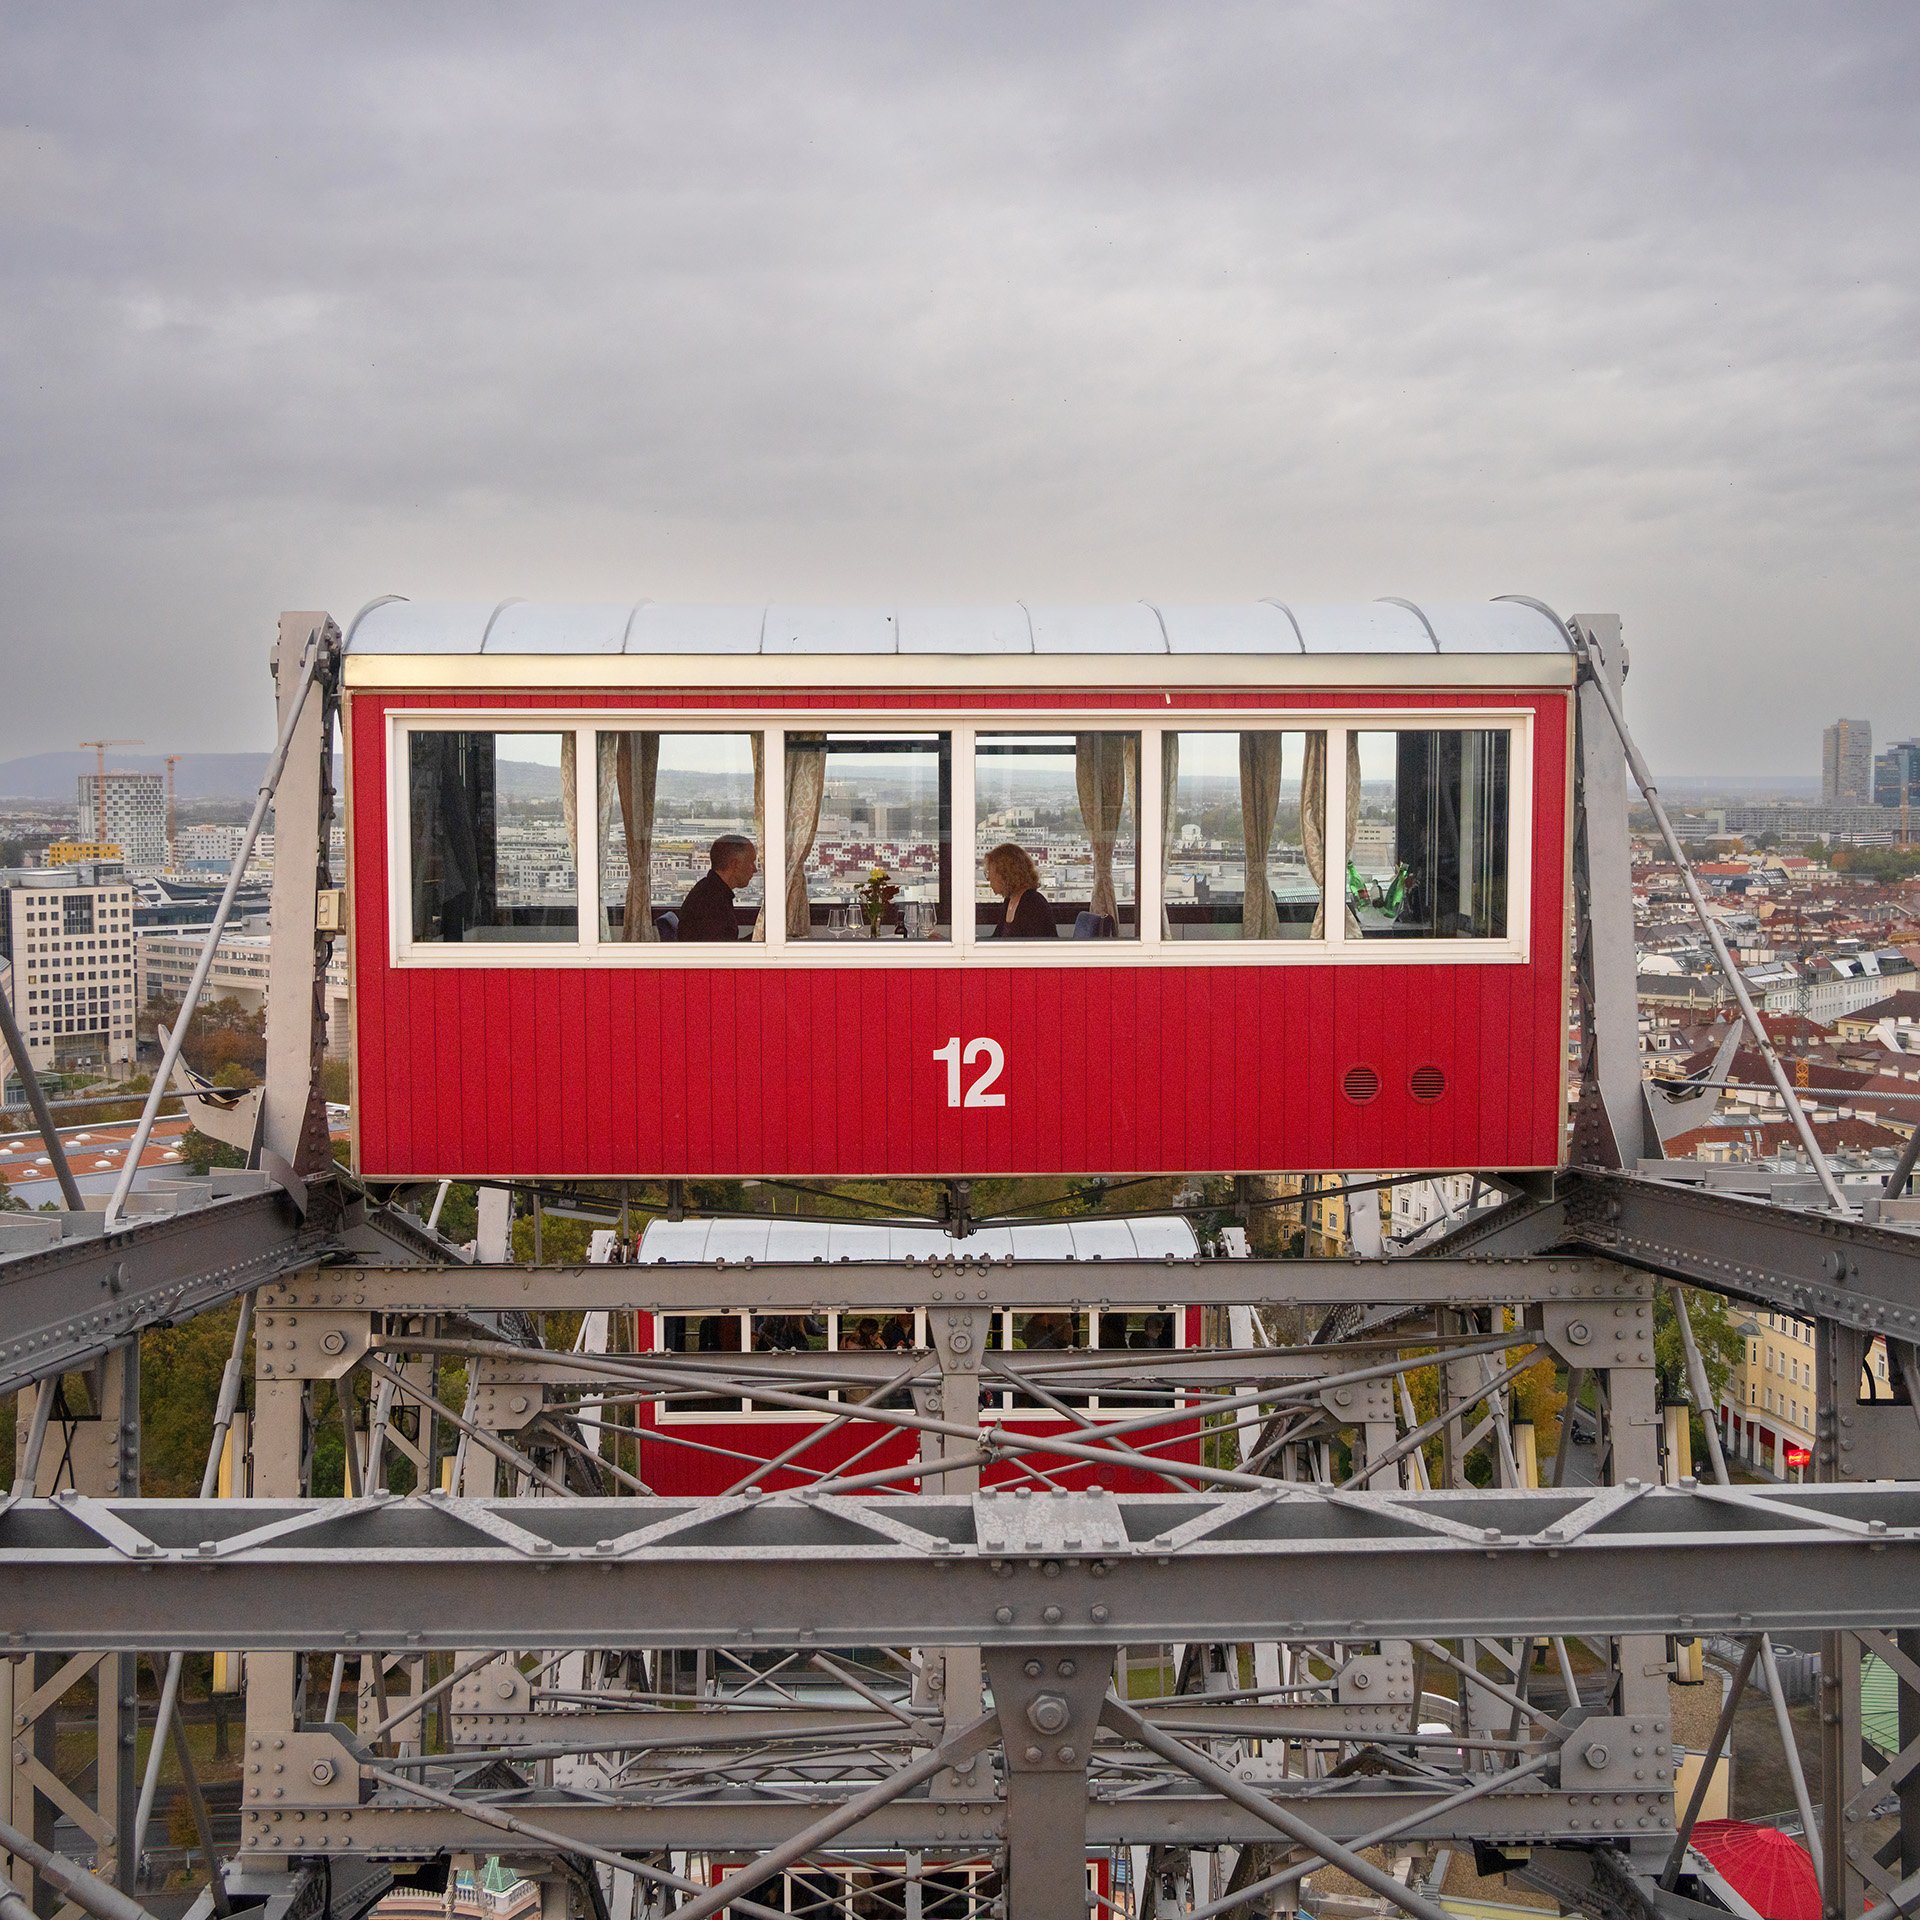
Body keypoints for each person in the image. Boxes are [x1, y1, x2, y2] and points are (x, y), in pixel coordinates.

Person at [675, 834, 756, 941]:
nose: (755, 869)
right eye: (751, 862)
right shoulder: (710, 902)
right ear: (735, 865)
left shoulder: (709, 890)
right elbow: (721, 951)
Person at [984, 842, 1055, 939]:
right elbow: (996, 939)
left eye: (990, 873)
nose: (989, 879)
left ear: (1005, 874)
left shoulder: (1032, 903)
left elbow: (1034, 948)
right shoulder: (1009, 900)